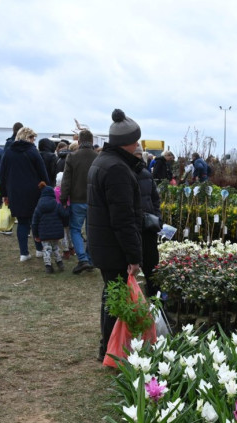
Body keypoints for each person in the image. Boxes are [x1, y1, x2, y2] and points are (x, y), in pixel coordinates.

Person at [87, 108, 143, 362]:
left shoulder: (102, 162)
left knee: (111, 296)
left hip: (103, 244)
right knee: (115, 299)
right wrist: (133, 256)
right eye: (136, 140)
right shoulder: (117, 169)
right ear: (127, 142)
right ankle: (111, 350)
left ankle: (109, 347)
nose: (138, 144)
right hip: (114, 247)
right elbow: (123, 218)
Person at [0, 126, 49, 262]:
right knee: (36, 221)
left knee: (22, 222)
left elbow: (2, 174)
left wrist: (4, 193)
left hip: (14, 191)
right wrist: (47, 188)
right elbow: (42, 172)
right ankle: (39, 249)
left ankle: (24, 253)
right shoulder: (33, 151)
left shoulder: (9, 152)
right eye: (33, 137)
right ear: (28, 137)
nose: (34, 141)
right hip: (34, 191)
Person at [61, 129, 98, 274]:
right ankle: (89, 258)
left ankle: (82, 259)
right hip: (94, 201)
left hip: (77, 199)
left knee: (75, 229)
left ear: (79, 141)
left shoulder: (72, 157)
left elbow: (66, 181)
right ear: (92, 141)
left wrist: (64, 198)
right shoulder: (98, 157)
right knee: (91, 231)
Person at [135, 144, 161, 297]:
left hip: (148, 226)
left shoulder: (146, 174)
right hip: (132, 227)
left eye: (138, 156)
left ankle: (157, 303)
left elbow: (155, 199)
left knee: (152, 267)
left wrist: (157, 217)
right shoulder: (123, 174)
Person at [31, 183, 68, 273]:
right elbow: (64, 215)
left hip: (44, 233)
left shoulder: (38, 207)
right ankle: (59, 262)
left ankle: (48, 266)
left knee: (46, 248)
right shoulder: (57, 204)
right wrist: (64, 224)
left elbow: (34, 223)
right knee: (55, 247)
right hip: (56, 232)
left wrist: (36, 235)